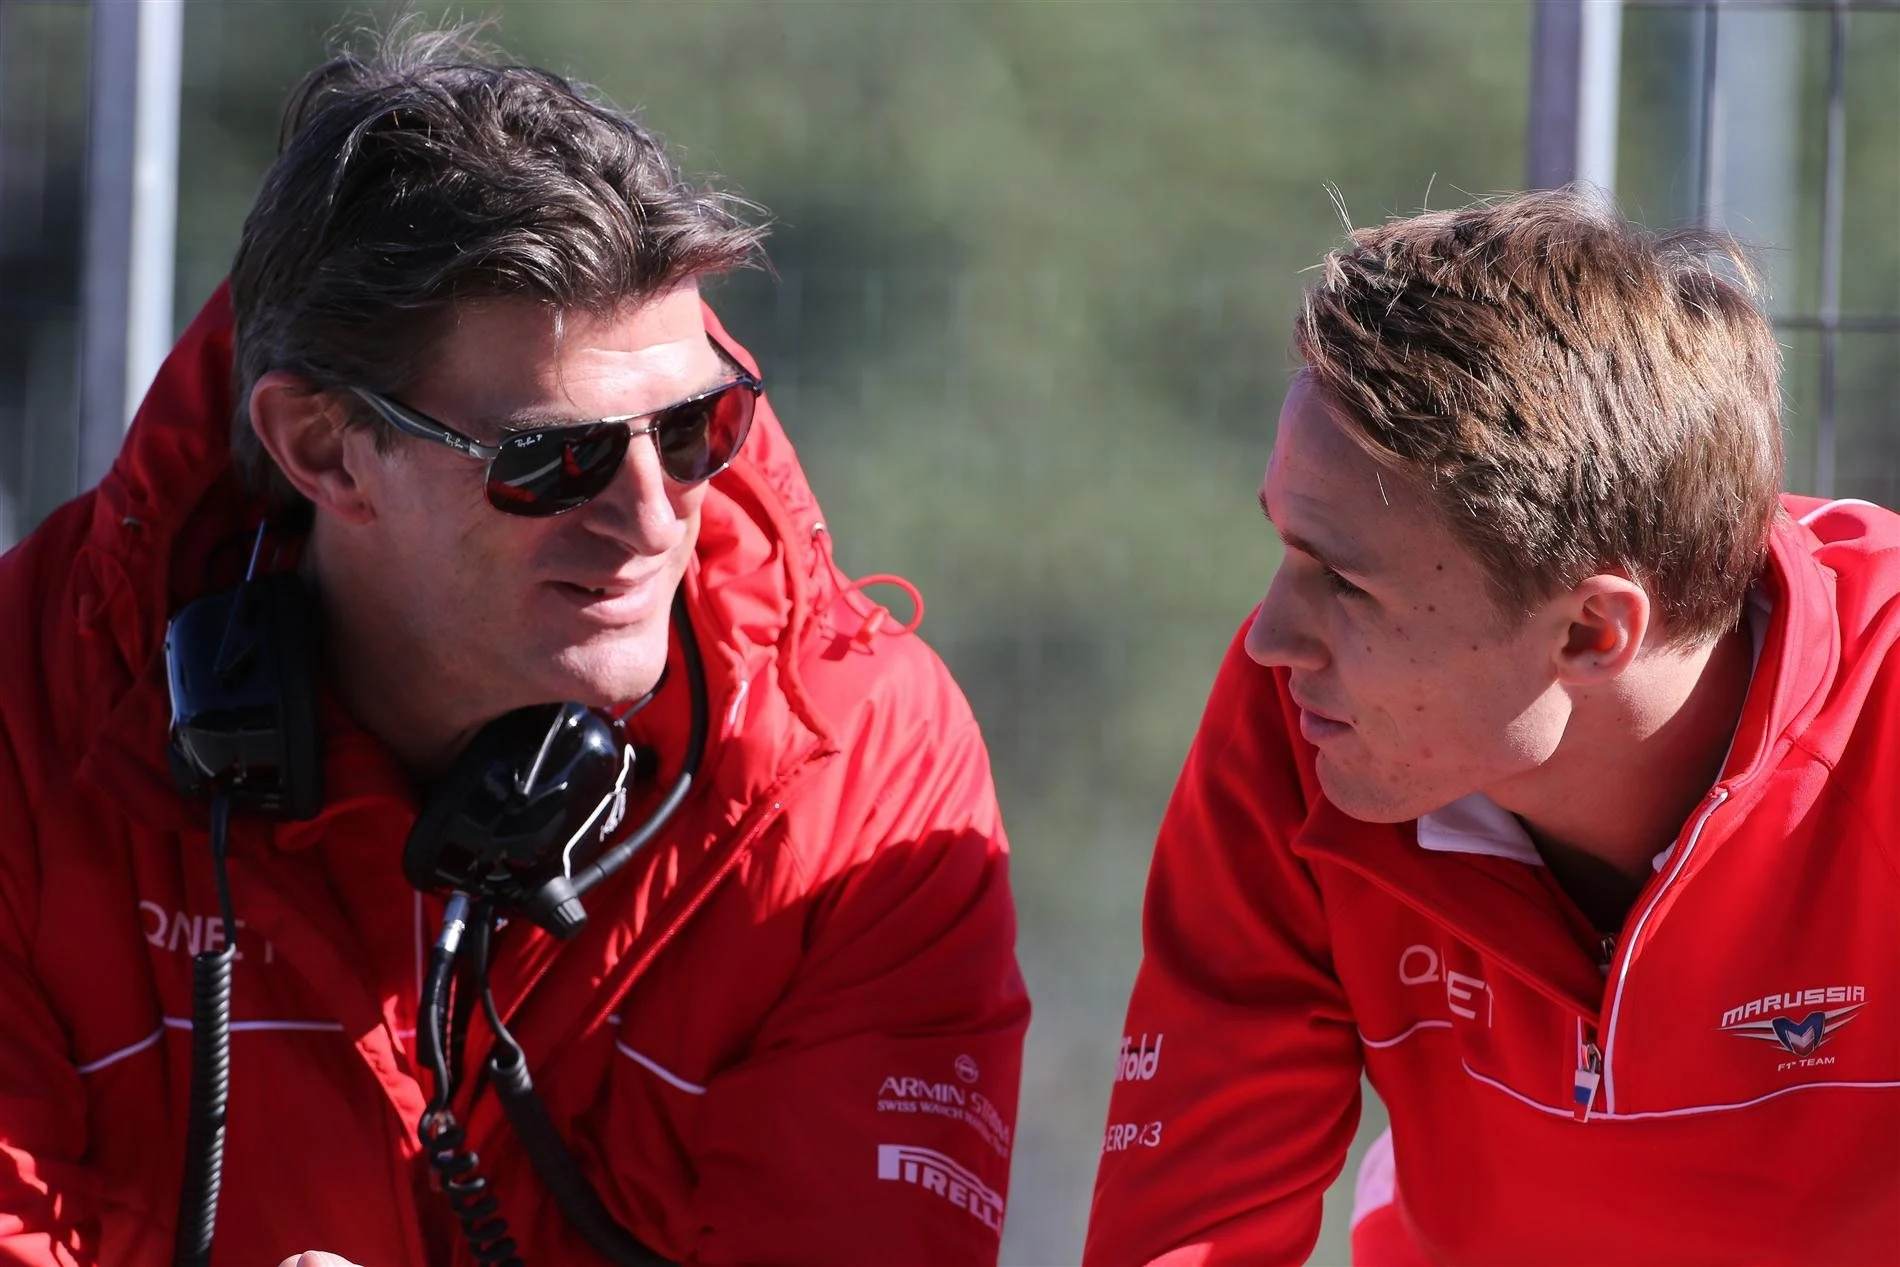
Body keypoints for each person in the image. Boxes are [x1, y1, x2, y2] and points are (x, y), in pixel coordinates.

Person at [0, 27, 1028, 1267]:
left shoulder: (858, 771)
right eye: (559, 459)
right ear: (324, 452)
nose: (654, 520)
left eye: (699, 428)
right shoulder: (27, 714)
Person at [1083, 188, 1900, 1265]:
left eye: (1342, 579)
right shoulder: (1300, 723)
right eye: (1284, 548)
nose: (1270, 638)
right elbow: (1188, 1232)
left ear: (1593, 631)